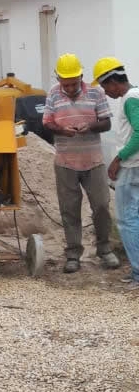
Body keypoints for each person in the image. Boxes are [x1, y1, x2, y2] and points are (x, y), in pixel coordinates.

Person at [42, 53, 120, 273]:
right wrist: (62, 130)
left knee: (102, 206)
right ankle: (73, 254)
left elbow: (106, 123)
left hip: (93, 160)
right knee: (69, 209)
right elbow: (47, 122)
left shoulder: (96, 92)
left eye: (73, 84)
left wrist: (90, 126)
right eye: (64, 84)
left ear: (81, 77)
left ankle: (104, 250)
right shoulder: (53, 94)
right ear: (58, 79)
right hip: (65, 161)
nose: (68, 88)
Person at [92, 57, 139, 289]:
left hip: (132, 168)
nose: (105, 92)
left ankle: (138, 274)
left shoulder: (130, 99)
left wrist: (118, 160)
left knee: (127, 221)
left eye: (104, 87)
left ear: (112, 81)